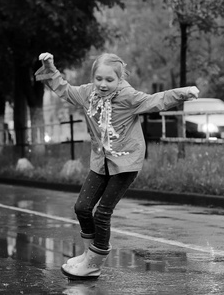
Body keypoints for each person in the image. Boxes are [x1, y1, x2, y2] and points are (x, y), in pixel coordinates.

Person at [35, 52, 199, 280]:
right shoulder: (87, 94)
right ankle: (87, 255)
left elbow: (155, 100)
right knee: (82, 207)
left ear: (119, 79)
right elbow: (64, 89)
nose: (103, 84)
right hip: (101, 161)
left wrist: (182, 93)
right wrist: (50, 67)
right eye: (99, 79)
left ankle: (94, 263)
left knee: (102, 213)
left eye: (109, 80)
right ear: (93, 78)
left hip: (126, 161)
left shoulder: (128, 96)